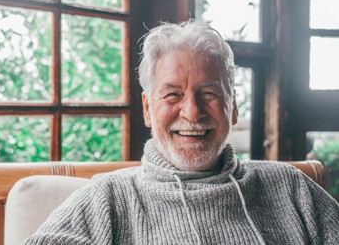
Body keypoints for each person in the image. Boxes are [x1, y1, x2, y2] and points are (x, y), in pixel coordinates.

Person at [24, 20, 339, 244]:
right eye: (172, 94)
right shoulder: (106, 200)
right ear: (148, 109)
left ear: (233, 107)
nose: (192, 112)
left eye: (209, 94)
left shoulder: (292, 188)